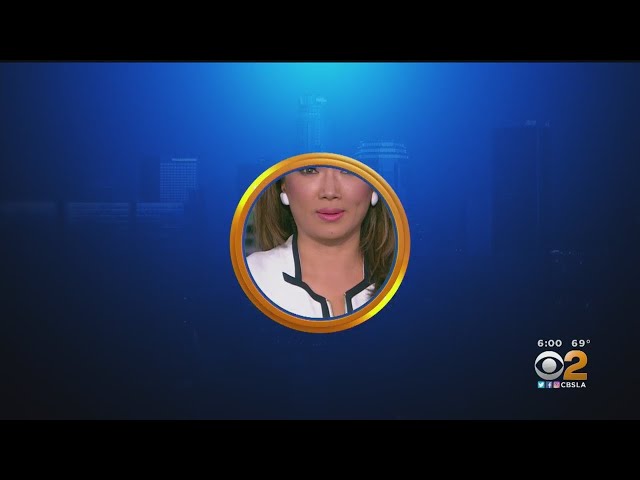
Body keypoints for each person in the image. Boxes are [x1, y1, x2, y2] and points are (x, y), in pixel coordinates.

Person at [246, 165, 396, 319]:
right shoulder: (252, 277)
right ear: (283, 184)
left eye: (348, 169)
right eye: (310, 170)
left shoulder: (405, 279)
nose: (330, 192)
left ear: (374, 184)